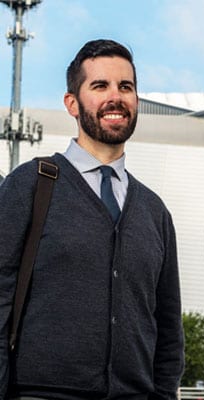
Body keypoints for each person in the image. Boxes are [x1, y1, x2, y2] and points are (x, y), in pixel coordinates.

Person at [0, 39, 184, 400]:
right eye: (99, 86)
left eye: (125, 87)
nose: (115, 97)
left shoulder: (154, 212)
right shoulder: (30, 184)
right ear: (72, 103)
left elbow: (168, 330)